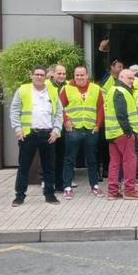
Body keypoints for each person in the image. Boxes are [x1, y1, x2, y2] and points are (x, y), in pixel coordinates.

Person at [9, 66, 62, 207]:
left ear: (46, 76)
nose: (39, 77)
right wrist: (17, 129)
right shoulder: (23, 90)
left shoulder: (52, 91)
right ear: (31, 76)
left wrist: (56, 130)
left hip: (48, 134)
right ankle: (19, 196)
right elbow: (14, 110)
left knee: (49, 167)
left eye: (42, 74)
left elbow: (59, 113)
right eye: (36, 74)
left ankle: (50, 195)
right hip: (28, 134)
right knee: (24, 167)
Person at [60, 65, 103, 198]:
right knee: (69, 159)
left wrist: (98, 125)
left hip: (91, 129)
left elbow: (101, 107)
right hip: (74, 129)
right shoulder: (67, 88)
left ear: (87, 75)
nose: (79, 77)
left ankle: (94, 186)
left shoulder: (96, 88)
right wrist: (65, 121)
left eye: (82, 75)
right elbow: (59, 107)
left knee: (92, 159)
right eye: (77, 75)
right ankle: (67, 187)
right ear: (74, 76)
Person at [104, 68, 138, 199]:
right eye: (129, 78)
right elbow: (121, 113)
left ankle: (113, 191)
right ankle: (129, 190)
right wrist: (129, 131)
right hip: (123, 133)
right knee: (130, 161)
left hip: (112, 133)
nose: (132, 81)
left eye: (133, 78)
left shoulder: (112, 90)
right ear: (121, 77)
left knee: (115, 163)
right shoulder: (121, 91)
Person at [49, 64, 69, 193]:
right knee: (49, 157)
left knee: (62, 156)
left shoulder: (69, 86)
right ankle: (48, 184)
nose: (62, 76)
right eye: (59, 73)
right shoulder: (46, 85)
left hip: (64, 126)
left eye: (64, 73)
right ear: (52, 73)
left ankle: (60, 183)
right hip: (49, 127)